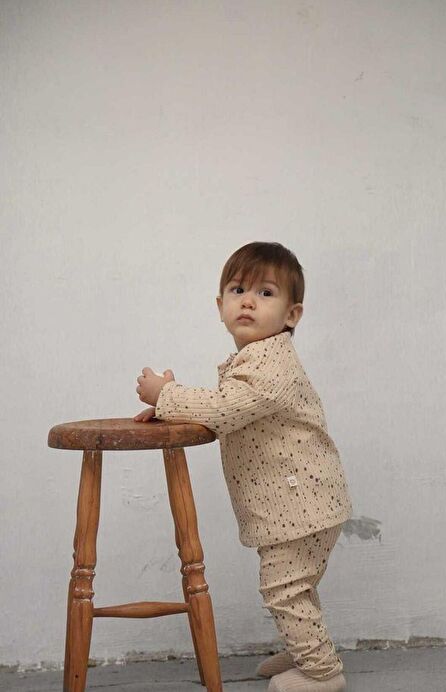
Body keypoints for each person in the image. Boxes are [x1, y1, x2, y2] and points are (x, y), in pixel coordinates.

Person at [133, 241, 353, 692]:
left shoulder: (272, 362)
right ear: (220, 306)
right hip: (301, 502)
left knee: (284, 588)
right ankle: (304, 648)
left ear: (292, 315)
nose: (248, 301)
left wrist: (166, 395)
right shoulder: (255, 359)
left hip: (301, 502)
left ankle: (322, 671)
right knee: (296, 586)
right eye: (238, 290)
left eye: (265, 293)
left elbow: (225, 407)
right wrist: (171, 409)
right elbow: (229, 409)